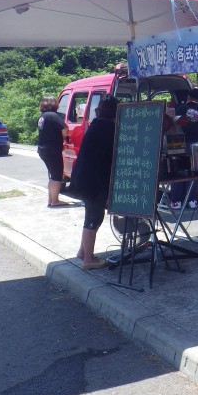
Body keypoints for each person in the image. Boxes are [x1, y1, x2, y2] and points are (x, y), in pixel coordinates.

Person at [71, 96, 119, 270]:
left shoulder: (97, 124)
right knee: (94, 217)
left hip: (83, 178)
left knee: (91, 215)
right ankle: (88, 259)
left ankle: (83, 252)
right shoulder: (108, 128)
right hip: (93, 180)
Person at [170, 87, 198, 210]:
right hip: (196, 145)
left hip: (179, 144)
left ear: (188, 97)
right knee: (194, 172)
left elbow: (173, 123)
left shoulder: (181, 108)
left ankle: (176, 201)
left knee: (178, 171)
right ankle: (192, 200)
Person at [37, 96, 68, 207]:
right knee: (57, 176)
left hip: (43, 149)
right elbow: (65, 128)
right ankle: (55, 201)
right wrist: (64, 138)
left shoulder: (42, 117)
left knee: (53, 175)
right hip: (52, 150)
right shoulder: (53, 116)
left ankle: (51, 200)